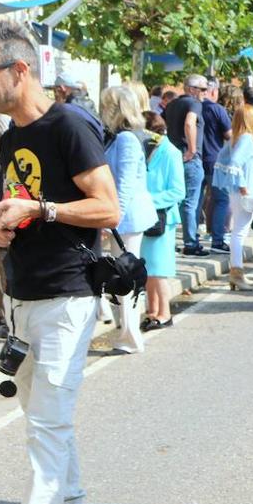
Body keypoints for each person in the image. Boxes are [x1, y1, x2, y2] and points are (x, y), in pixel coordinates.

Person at [0, 17, 120, 504]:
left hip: (66, 296)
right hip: (25, 296)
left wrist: (43, 212)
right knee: (43, 420)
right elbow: (24, 204)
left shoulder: (69, 126)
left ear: (20, 69)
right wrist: (6, 226)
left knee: (47, 426)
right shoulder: (10, 136)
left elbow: (108, 208)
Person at [99, 85, 157, 354]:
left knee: (125, 277)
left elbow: (124, 185)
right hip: (127, 216)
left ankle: (130, 336)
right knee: (124, 277)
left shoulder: (125, 140)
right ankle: (128, 333)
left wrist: (110, 222)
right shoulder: (121, 137)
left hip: (127, 217)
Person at [213, 103, 253, 291]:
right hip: (246, 192)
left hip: (240, 191)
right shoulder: (247, 139)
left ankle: (237, 272)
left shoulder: (237, 138)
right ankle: (236, 272)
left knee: (239, 232)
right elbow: (234, 162)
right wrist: (243, 185)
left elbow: (225, 160)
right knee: (240, 232)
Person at [140, 111, 184, 331]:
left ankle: (164, 313)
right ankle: (152, 310)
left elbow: (178, 191)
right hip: (147, 216)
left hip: (162, 218)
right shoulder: (147, 149)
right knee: (148, 269)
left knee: (159, 269)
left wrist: (149, 200)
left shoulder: (170, 152)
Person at [164, 74, 208, 256]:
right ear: (192, 89)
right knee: (190, 202)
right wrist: (191, 149)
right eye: (203, 89)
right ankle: (190, 243)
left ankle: (169, 240)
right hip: (188, 157)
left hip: (173, 156)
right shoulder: (194, 103)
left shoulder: (172, 104)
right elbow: (190, 123)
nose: (205, 93)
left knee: (174, 201)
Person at [201, 79, 232, 253]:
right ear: (213, 92)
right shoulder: (217, 109)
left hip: (195, 158)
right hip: (214, 159)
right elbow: (229, 135)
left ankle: (193, 239)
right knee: (221, 199)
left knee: (195, 202)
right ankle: (217, 240)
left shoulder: (194, 107)